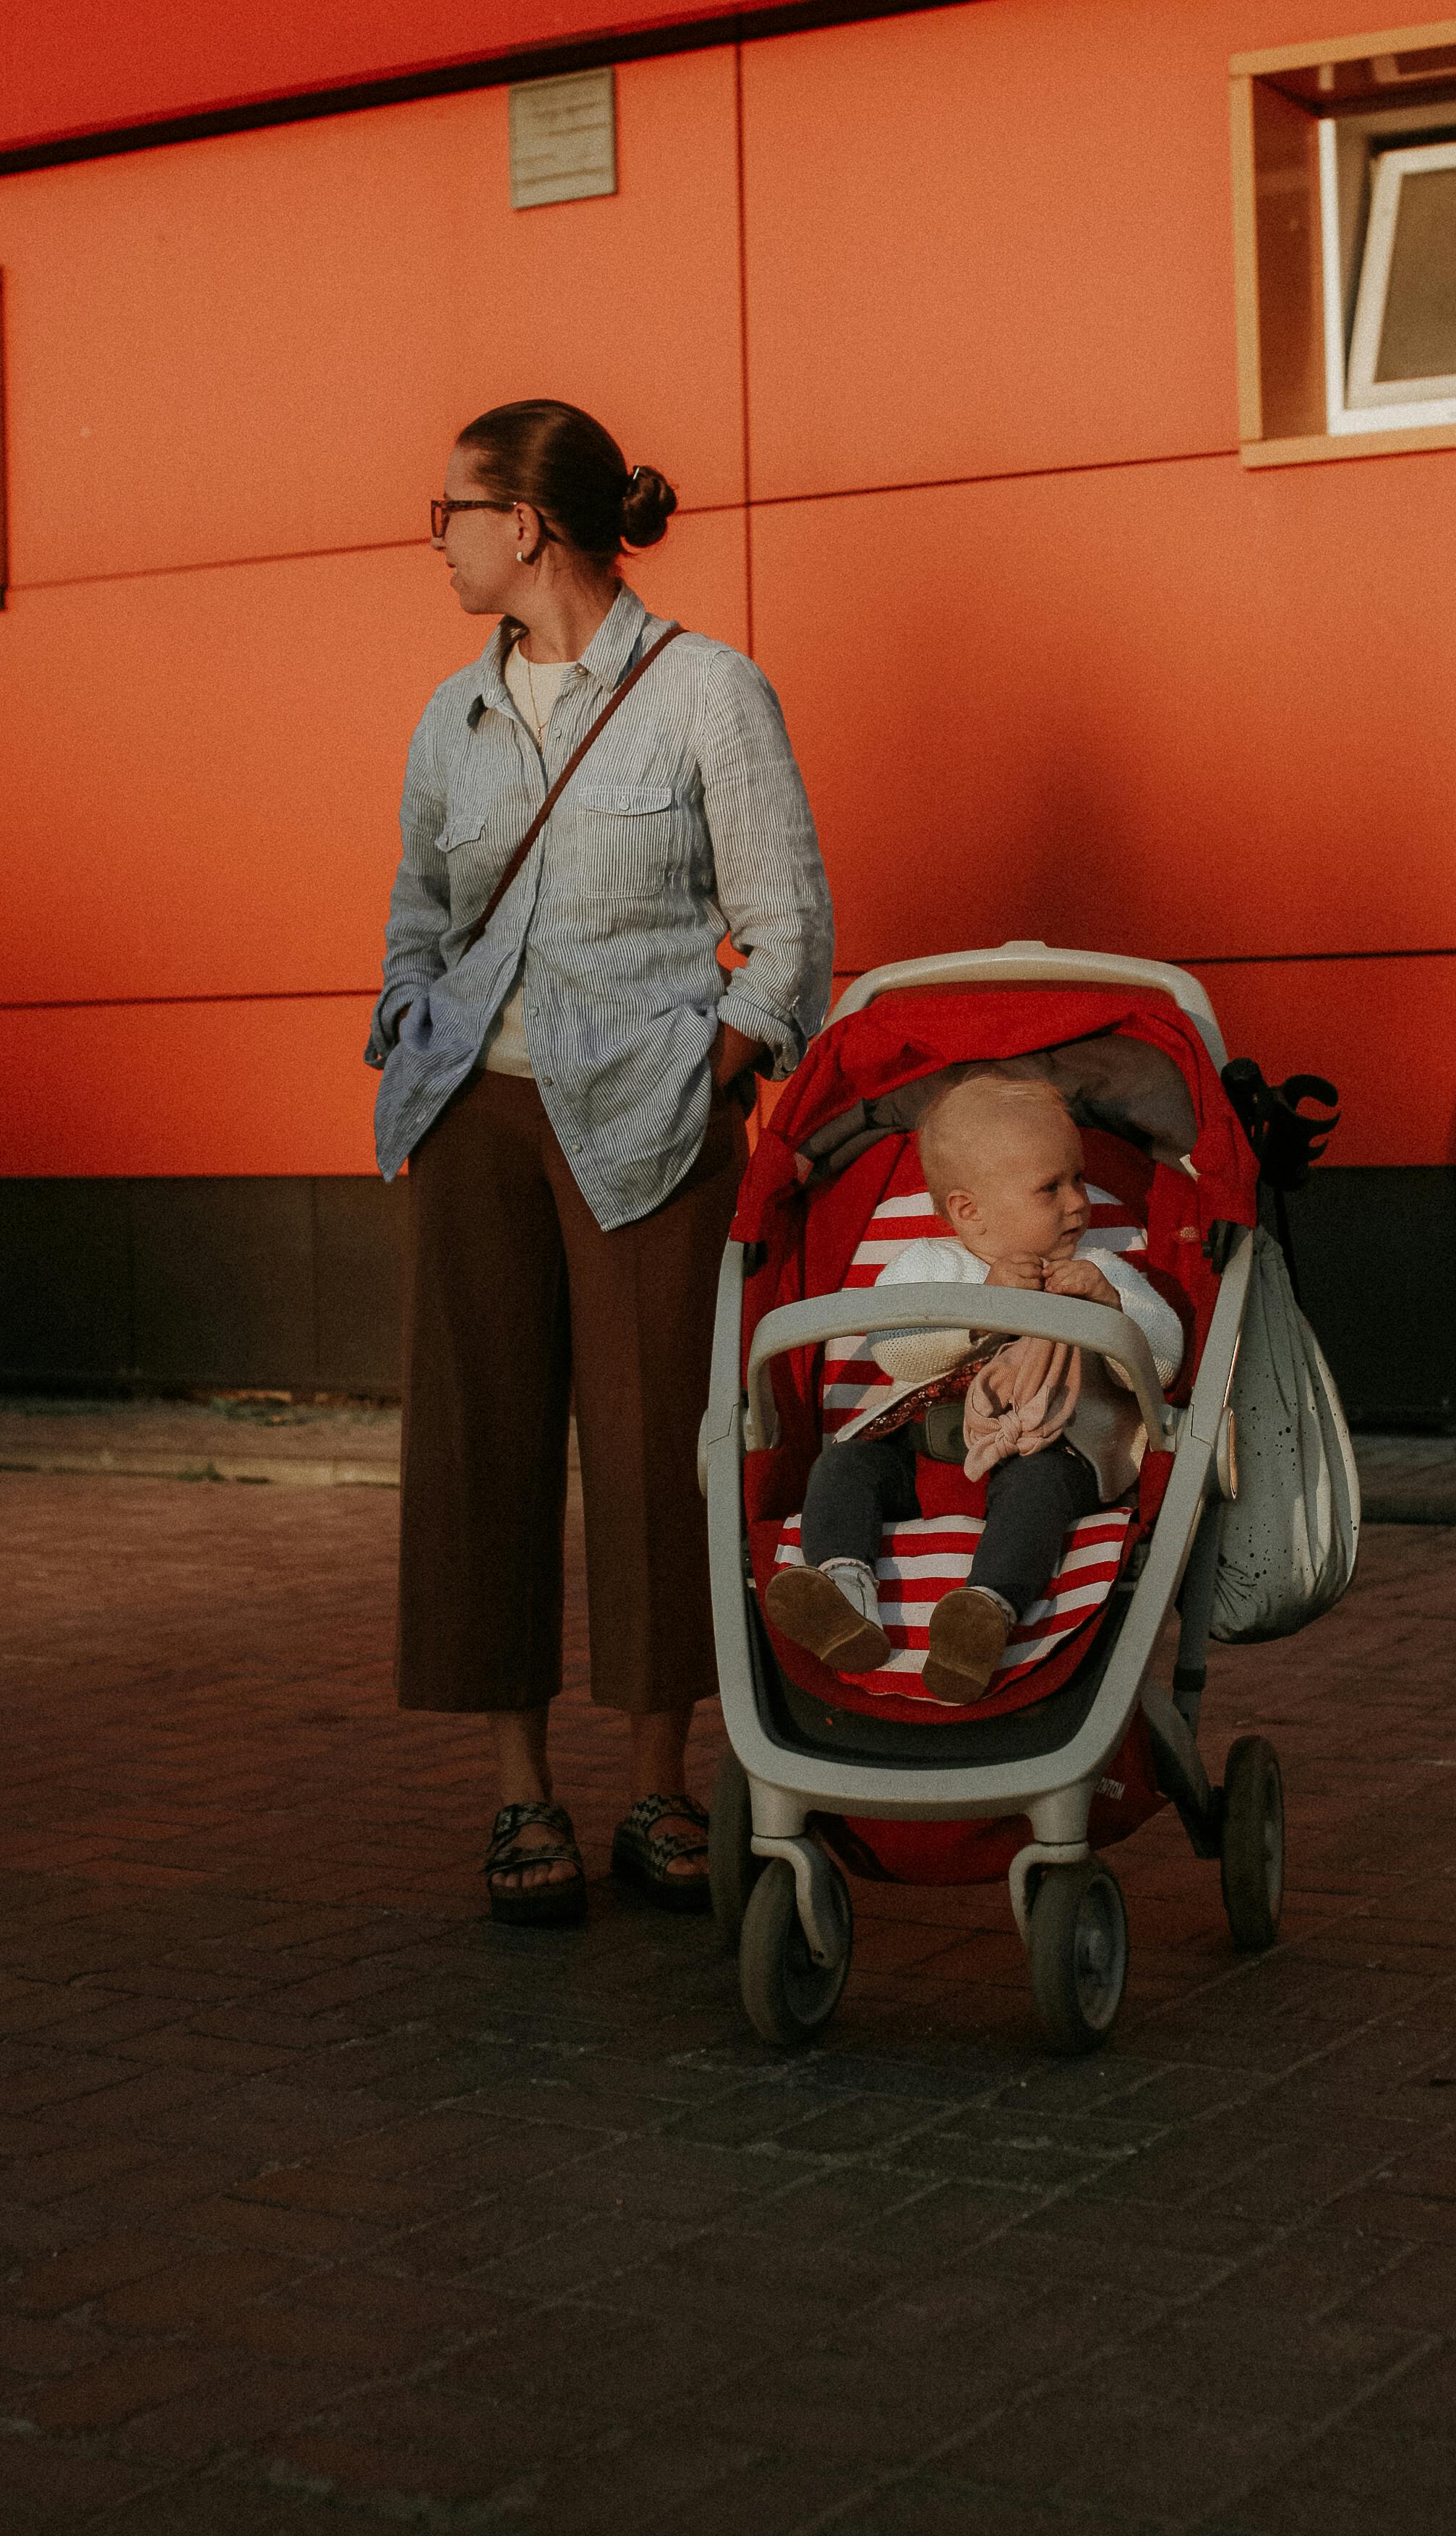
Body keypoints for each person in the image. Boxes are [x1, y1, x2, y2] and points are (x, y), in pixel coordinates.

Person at [368, 398, 833, 1923]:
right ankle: (521, 1798)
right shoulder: (454, 715)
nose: (436, 539)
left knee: (655, 1452)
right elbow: (417, 909)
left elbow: (787, 927)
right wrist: (408, 1020)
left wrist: (715, 1074)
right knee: (481, 1446)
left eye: (454, 511)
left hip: (653, 1126)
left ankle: (660, 1786)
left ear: (532, 527)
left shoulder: (709, 694)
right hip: (477, 1125)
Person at [763, 1072, 1182, 1703]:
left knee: (1039, 1490)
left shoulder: (1100, 1268)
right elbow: (897, 1350)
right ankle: (843, 1593)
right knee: (844, 1465)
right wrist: (980, 1308)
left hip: (1043, 1446)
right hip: (922, 1444)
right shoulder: (929, 1267)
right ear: (968, 1211)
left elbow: (1163, 1361)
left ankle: (984, 1613)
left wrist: (1114, 1310)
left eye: (1078, 1178)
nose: (1078, 1202)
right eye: (1051, 1188)